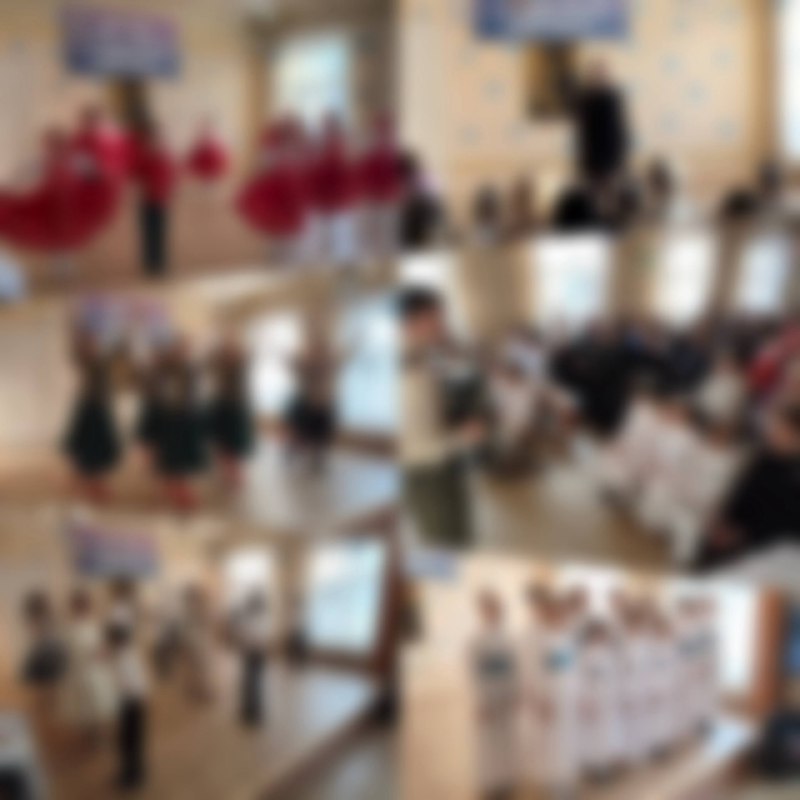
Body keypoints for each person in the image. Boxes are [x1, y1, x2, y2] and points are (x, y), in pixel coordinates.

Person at [398, 288, 484, 549]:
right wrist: (465, 437)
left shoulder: (424, 355)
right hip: (427, 476)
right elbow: (414, 450)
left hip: (445, 466)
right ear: (410, 323)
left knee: (460, 536)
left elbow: (459, 379)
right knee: (444, 542)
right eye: (436, 318)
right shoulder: (407, 372)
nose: (443, 325)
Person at [698, 403, 800, 568]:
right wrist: (721, 519)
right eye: (776, 426)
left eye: (783, 431)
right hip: (725, 530)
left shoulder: (793, 478)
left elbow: (781, 524)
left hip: (754, 550)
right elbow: (741, 490)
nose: (774, 432)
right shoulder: (764, 456)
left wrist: (739, 535)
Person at [469, 591, 520, 800]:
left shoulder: (509, 638)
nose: (494, 613)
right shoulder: (476, 640)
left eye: (497, 609)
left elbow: (516, 668)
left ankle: (506, 779)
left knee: (507, 740)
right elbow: (473, 673)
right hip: (487, 697)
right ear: (483, 611)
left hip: (506, 696)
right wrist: (480, 702)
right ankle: (490, 784)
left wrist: (515, 694)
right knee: (488, 743)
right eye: (490, 609)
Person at [62, 327, 122, 504]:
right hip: (87, 408)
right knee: (84, 448)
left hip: (100, 408)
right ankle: (86, 483)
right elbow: (74, 351)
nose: (92, 347)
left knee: (99, 449)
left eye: (94, 344)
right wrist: (73, 330)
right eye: (89, 344)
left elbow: (117, 356)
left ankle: (95, 484)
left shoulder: (103, 363)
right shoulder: (84, 361)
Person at [60, 589, 116, 746]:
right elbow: (81, 650)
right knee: (91, 705)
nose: (86, 608)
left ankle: (98, 734)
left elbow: (100, 644)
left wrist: (104, 652)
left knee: (98, 705)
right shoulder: (73, 628)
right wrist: (100, 653)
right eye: (82, 605)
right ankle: (95, 736)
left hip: (97, 670)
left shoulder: (91, 624)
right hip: (86, 673)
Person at [284, 322, 341, 472]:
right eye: (314, 348)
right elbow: (293, 365)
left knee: (320, 436)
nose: (317, 352)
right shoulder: (305, 362)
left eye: (319, 348)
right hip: (307, 403)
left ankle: (316, 459)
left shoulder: (328, 361)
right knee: (301, 434)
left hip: (323, 403)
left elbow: (340, 359)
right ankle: (293, 451)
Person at [206, 335, 255, 491]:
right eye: (228, 350)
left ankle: (235, 471)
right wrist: (217, 347)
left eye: (233, 350)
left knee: (236, 442)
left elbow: (248, 356)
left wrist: (237, 349)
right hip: (220, 405)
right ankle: (225, 470)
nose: (231, 353)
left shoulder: (241, 365)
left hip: (237, 407)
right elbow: (209, 361)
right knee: (221, 441)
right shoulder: (217, 364)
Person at [573, 59, 630, 191]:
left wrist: (621, 159)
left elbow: (619, 128)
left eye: (602, 74)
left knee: (613, 192)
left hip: (612, 156)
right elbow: (583, 132)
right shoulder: (585, 99)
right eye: (596, 74)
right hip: (592, 159)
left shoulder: (613, 98)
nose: (600, 77)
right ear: (590, 76)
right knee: (594, 193)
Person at [106, 623, 150, 790]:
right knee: (130, 742)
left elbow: (130, 684)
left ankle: (133, 775)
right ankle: (134, 772)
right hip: (133, 703)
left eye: (111, 640)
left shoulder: (124, 659)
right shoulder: (127, 654)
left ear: (117, 641)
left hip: (131, 704)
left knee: (129, 742)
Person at [132, 122, 177, 278]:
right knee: (147, 232)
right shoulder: (146, 156)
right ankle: (149, 262)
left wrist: (168, 191)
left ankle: (160, 263)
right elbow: (137, 173)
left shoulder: (166, 156)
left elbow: (171, 176)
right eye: (152, 138)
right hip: (147, 199)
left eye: (157, 138)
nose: (154, 141)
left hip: (161, 199)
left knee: (160, 233)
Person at [233, 592, 270, 728]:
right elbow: (247, 636)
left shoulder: (255, 619)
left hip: (254, 653)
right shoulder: (259, 618)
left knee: (252, 683)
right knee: (252, 683)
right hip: (255, 653)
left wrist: (244, 642)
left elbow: (247, 636)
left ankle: (252, 712)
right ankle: (251, 711)